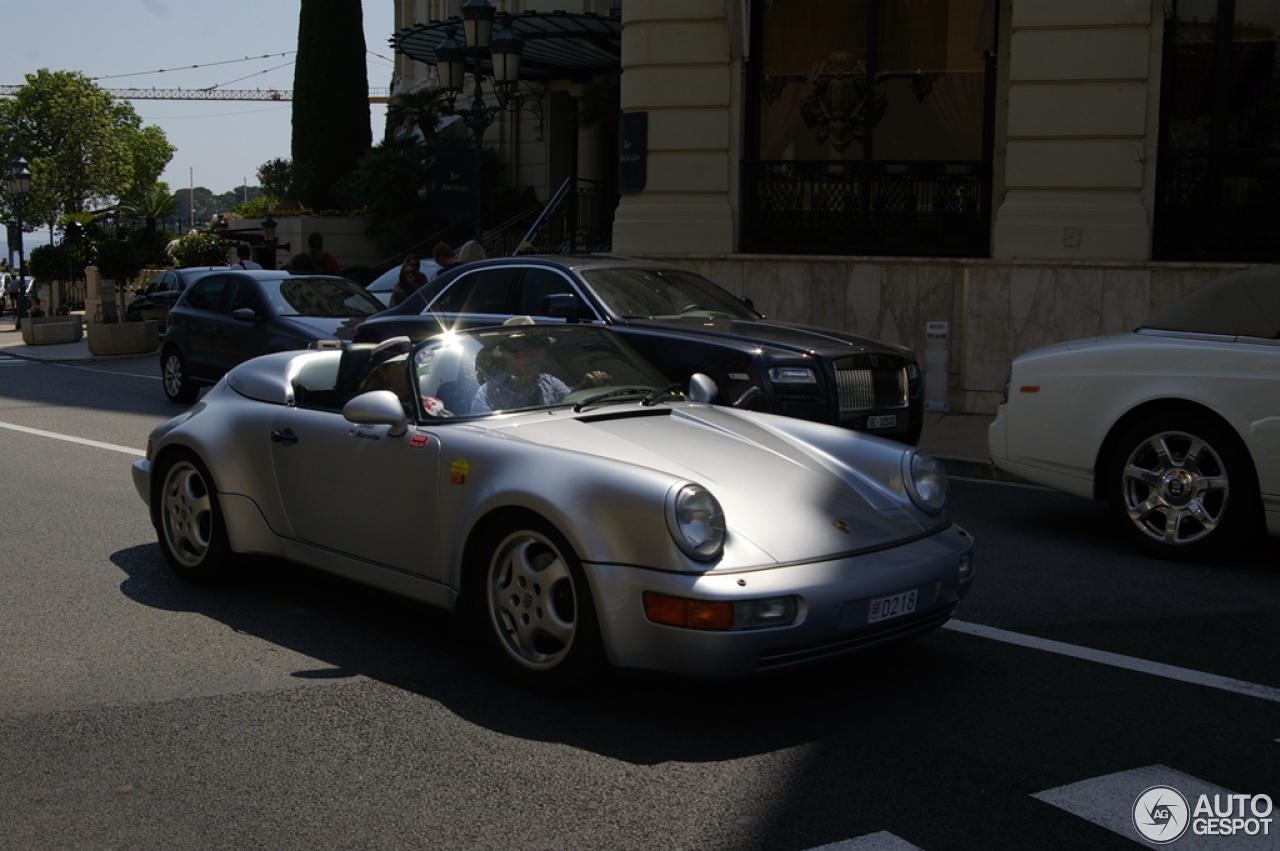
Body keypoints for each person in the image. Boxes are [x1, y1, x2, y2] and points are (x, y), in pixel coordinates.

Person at [472, 329, 608, 414]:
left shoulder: (551, 383)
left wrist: (586, 387)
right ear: (509, 354)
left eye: (540, 347)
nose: (536, 354)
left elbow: (570, 406)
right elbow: (483, 435)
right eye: (527, 349)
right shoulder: (488, 394)